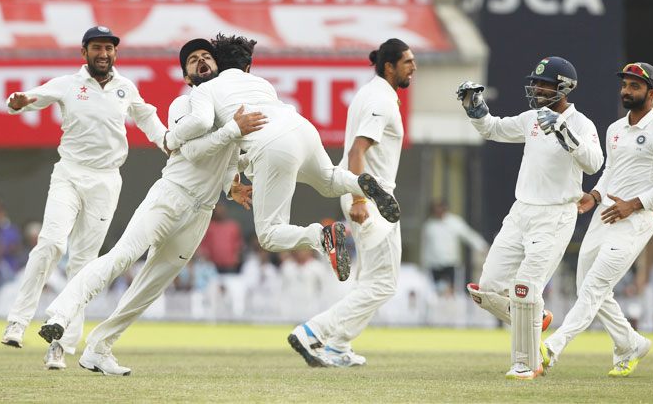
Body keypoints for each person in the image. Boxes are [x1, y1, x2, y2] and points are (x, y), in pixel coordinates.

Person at [37, 38, 265, 375]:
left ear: (220, 68)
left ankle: (99, 349)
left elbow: (227, 161)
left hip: (200, 213)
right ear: (188, 77)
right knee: (122, 256)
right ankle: (60, 313)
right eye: (193, 60)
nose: (201, 61)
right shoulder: (182, 105)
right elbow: (192, 152)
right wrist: (233, 130)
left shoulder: (230, 110)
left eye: (206, 57)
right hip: (170, 196)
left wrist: (232, 189)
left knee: (150, 287)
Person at [162, 34, 401, 284]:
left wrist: (172, 138)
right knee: (329, 181)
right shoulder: (262, 83)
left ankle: (321, 235)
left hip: (272, 145)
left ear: (219, 65)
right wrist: (232, 181)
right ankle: (362, 183)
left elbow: (209, 127)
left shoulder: (206, 89)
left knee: (269, 235)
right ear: (247, 67)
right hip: (302, 129)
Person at [1, 26, 168, 369]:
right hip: (69, 174)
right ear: (84, 52)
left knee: (83, 262)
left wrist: (171, 143)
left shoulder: (125, 88)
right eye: (96, 48)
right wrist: (16, 103)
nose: (103, 54)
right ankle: (17, 322)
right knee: (50, 244)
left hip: (106, 181)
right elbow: (28, 98)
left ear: (115, 54)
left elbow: (148, 119)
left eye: (108, 48)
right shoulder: (67, 84)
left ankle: (60, 346)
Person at [457, 56, 604, 379]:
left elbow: (594, 163)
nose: (537, 88)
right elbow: (493, 129)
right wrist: (475, 108)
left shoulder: (581, 124)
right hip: (520, 211)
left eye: (544, 83)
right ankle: (537, 317)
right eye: (535, 82)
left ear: (564, 87)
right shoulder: (532, 119)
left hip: (555, 215)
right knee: (488, 289)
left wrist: (564, 133)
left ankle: (527, 363)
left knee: (525, 287)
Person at [288, 38, 415, 367]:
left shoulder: (370, 92)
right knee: (385, 284)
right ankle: (313, 332)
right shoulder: (380, 100)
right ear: (389, 66)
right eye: (407, 62)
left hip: (365, 196)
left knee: (370, 281)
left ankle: (339, 347)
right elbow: (358, 150)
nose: (413, 67)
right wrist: (360, 198)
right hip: (372, 199)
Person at [541, 62, 653, 378]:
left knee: (593, 288)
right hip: (603, 215)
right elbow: (610, 172)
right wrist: (594, 196)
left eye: (634, 86)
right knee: (589, 289)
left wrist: (634, 205)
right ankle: (631, 343)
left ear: (651, 93)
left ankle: (552, 347)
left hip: (636, 222)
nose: (626, 90)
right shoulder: (614, 129)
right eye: (624, 84)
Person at [420, 200, 488, 295]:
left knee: (452, 291)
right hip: (434, 265)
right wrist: (424, 264)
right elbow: (425, 247)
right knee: (437, 292)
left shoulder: (454, 222)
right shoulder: (429, 226)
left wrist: (482, 246)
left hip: (450, 264)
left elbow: (468, 234)